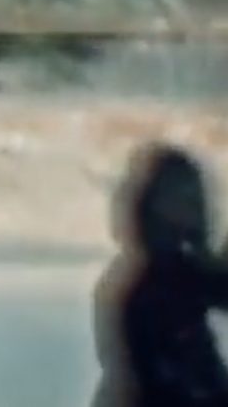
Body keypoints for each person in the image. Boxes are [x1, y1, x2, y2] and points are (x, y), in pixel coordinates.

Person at [92, 142, 228, 407]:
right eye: (181, 197)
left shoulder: (173, 269)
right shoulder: (144, 283)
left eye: (193, 196)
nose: (192, 205)